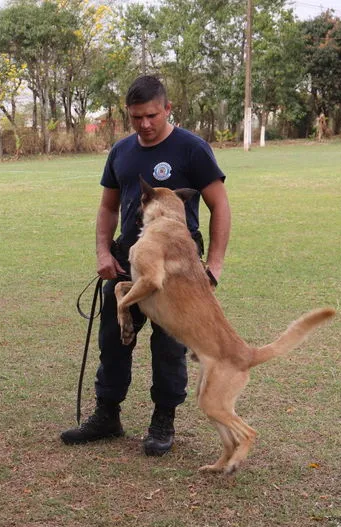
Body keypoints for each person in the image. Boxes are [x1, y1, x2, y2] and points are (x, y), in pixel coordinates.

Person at [61, 75, 231, 456]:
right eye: (136, 117)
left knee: (169, 344)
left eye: (152, 115)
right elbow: (108, 207)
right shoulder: (121, 152)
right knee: (113, 338)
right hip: (130, 255)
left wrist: (215, 265)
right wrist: (104, 254)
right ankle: (108, 414)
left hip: (176, 262)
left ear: (168, 109)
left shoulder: (192, 149)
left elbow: (219, 205)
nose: (145, 124)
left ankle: (163, 420)